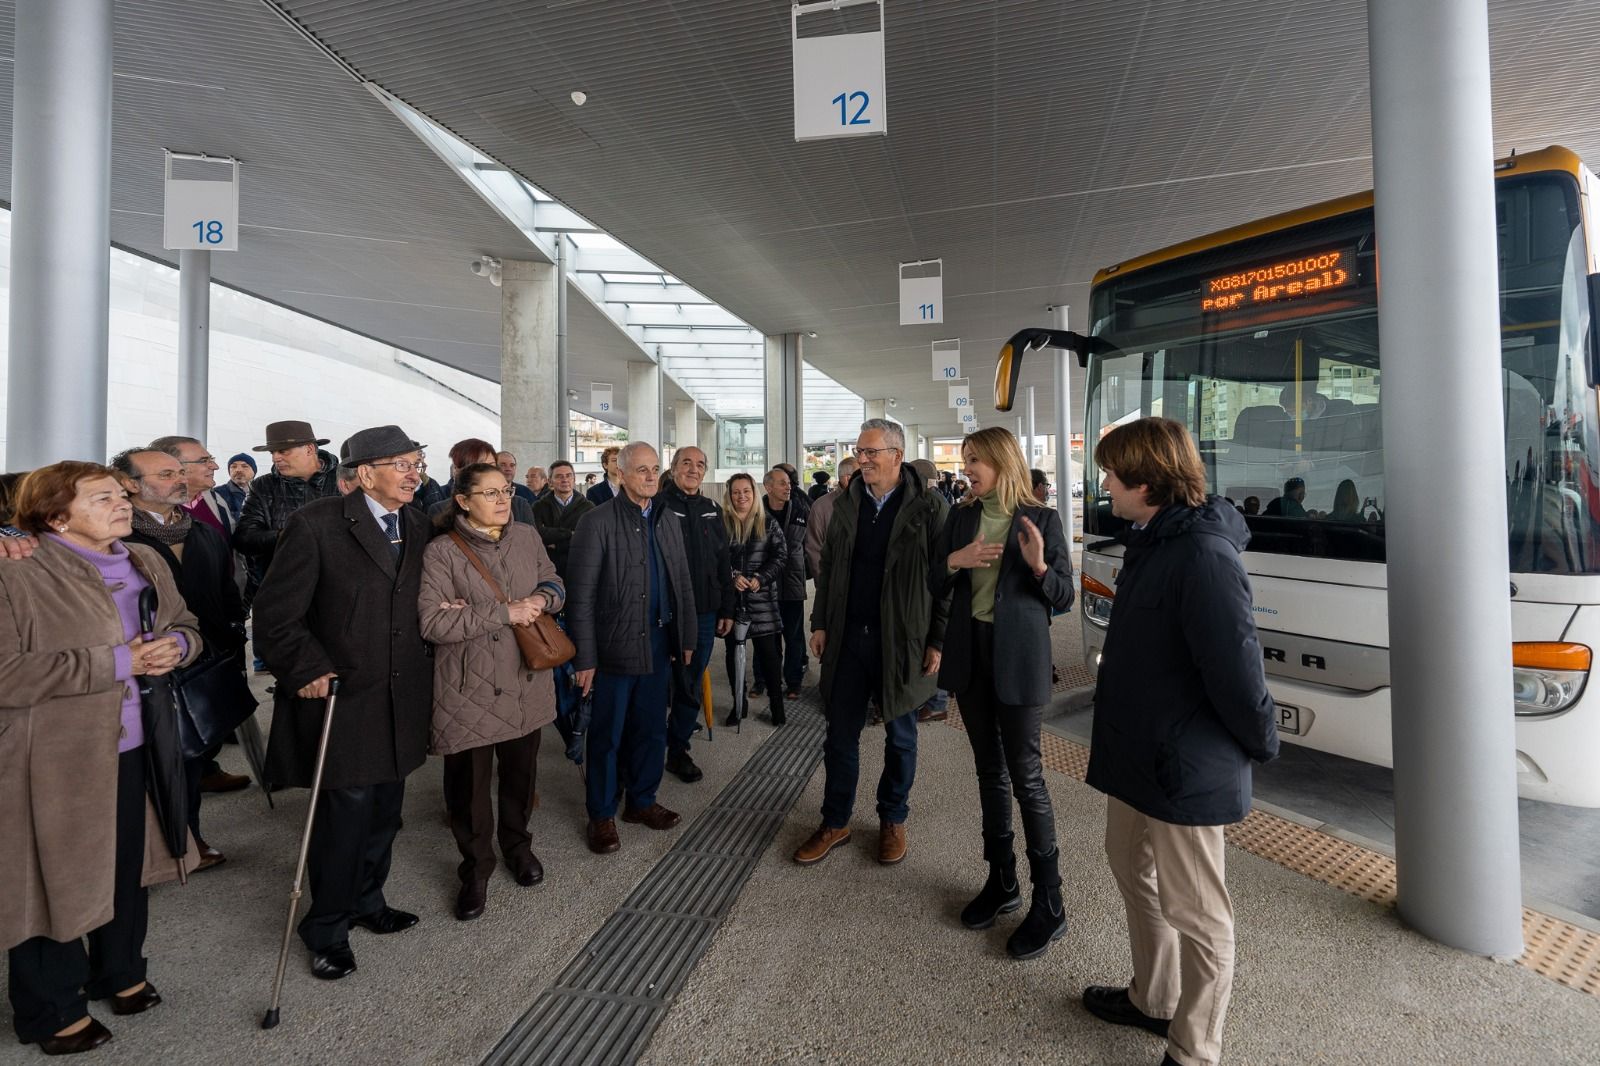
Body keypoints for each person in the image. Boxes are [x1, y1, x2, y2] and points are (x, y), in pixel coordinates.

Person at [1081, 417, 1279, 1066]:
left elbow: (1237, 669)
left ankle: (1195, 1048)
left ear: (1146, 482)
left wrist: (1260, 743)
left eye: (1111, 472)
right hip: (1141, 751)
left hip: (1182, 765)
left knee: (1199, 914)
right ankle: (1153, 998)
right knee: (1128, 868)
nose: (1103, 482)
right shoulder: (1153, 536)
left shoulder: (1201, 555)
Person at [1, 462, 202, 1055]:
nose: (121, 503)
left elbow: (186, 625)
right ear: (55, 515)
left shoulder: (146, 559)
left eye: (121, 493)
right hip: (54, 757)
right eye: (101, 497)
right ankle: (51, 1010)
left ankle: (119, 972)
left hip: (142, 739)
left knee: (127, 866)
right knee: (49, 879)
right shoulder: (19, 571)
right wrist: (121, 663)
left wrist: (179, 646)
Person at [254, 426, 435, 981]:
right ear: (363, 473)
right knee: (343, 818)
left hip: (400, 694)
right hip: (345, 695)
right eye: (401, 464)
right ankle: (326, 925)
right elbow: (275, 614)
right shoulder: (317, 524)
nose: (413, 473)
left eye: (417, 463)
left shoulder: (418, 523)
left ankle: (367, 901)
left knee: (385, 812)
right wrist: (305, 667)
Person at [936, 428, 1076, 960]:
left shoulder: (1042, 519)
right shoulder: (962, 517)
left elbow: (1061, 595)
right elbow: (933, 580)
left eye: (976, 460)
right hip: (973, 657)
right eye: (966, 459)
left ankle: (1051, 901)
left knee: (1027, 776)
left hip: (1018, 660)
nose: (967, 467)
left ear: (1002, 461)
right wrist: (957, 560)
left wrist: (1040, 565)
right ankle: (1003, 881)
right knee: (988, 770)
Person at [795, 419, 949, 867]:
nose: (861, 460)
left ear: (896, 456)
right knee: (839, 735)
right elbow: (831, 571)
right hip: (848, 638)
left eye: (870, 452)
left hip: (901, 641)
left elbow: (945, 582)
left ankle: (892, 817)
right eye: (860, 453)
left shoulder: (930, 507)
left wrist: (936, 638)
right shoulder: (846, 505)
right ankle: (835, 820)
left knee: (900, 737)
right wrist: (820, 621)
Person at [419, 463, 565, 921]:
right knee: (469, 788)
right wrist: (503, 612)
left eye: (505, 491)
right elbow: (433, 622)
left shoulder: (526, 536)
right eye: (489, 493)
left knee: (522, 777)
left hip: (526, 678)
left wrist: (541, 600)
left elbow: (556, 583)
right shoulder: (442, 552)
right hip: (468, 687)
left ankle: (518, 848)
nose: (503, 500)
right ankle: (476, 867)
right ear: (463, 500)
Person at [114, 447, 250, 868]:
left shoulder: (201, 531)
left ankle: (187, 839)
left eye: (179, 472)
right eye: (167, 473)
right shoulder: (116, 537)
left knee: (189, 755)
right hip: (139, 669)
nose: (180, 479)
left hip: (199, 660)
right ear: (131, 484)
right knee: (140, 766)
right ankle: (137, 854)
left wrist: (231, 633)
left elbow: (227, 589)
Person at [566, 441, 697, 855]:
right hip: (612, 649)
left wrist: (687, 636)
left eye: (655, 469)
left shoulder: (667, 519)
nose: (651, 477)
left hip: (659, 643)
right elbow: (580, 596)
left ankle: (642, 801)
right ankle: (601, 814)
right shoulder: (597, 521)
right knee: (606, 735)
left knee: (652, 729)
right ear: (620, 475)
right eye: (642, 470)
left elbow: (682, 583)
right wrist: (584, 657)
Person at [660, 446, 732, 784]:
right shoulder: (659, 507)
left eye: (700, 464)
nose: (693, 468)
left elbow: (723, 561)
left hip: (704, 611)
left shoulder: (711, 509)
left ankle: (678, 748)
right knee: (659, 681)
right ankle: (648, 741)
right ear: (673, 468)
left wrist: (728, 606)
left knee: (690, 681)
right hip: (665, 611)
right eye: (686, 462)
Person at [233, 420, 340, 607]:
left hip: (338, 594)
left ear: (309, 449)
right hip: (281, 595)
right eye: (272, 452)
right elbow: (245, 538)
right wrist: (286, 535)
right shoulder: (262, 486)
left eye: (283, 451)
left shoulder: (345, 481)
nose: (275, 458)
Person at [720, 472, 788, 726]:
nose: (741, 496)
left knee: (770, 656)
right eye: (736, 492)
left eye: (746, 491)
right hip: (733, 602)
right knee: (733, 656)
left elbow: (781, 556)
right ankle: (739, 705)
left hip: (763, 601)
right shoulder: (721, 523)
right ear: (730, 495)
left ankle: (777, 706)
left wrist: (762, 577)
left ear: (754, 492)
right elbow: (715, 559)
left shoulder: (767, 522)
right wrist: (732, 576)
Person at [762, 466, 809, 699]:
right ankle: (763, 679)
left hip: (792, 583)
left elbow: (810, 545)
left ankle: (793, 681)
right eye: (782, 483)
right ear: (768, 486)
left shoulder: (801, 511)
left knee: (793, 635)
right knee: (765, 635)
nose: (788, 486)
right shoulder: (756, 513)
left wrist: (805, 573)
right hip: (764, 584)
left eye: (788, 482)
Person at [911, 458, 951, 724]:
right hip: (932, 582)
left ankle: (937, 702)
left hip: (934, 584)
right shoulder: (935, 501)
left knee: (935, 644)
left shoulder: (932, 505)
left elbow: (938, 554)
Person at [434, 440, 536, 526]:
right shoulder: (439, 510)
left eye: (491, 466)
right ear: (457, 471)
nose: (488, 472)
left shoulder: (519, 505)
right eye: (479, 467)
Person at [530, 459, 594, 580]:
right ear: (550, 482)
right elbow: (536, 534)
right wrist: (569, 533)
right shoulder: (538, 506)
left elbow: (588, 539)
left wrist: (557, 545)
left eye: (568, 476)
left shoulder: (588, 507)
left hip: (579, 568)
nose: (565, 480)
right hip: (548, 568)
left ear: (574, 479)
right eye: (559, 476)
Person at [804, 456, 856, 579]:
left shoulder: (872, 501)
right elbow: (814, 549)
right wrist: (824, 584)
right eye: (862, 473)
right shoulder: (822, 506)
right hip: (834, 583)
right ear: (847, 478)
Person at [215, 453, 255, 524]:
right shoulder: (216, 494)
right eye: (233, 466)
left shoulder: (263, 493)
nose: (238, 470)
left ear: (254, 472)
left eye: (244, 466)